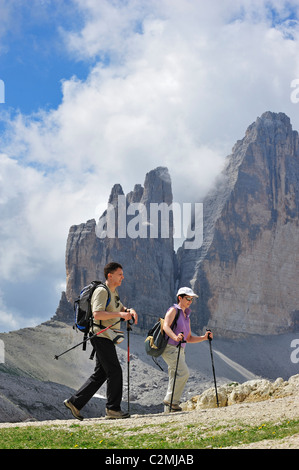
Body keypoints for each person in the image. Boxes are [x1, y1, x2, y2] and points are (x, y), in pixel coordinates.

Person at [64, 262, 138, 420]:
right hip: (100, 335)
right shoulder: (101, 291)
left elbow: (121, 308)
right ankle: (113, 409)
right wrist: (121, 316)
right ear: (110, 276)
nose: (123, 277)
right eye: (120, 274)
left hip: (107, 336)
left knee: (101, 373)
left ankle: (75, 403)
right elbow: (97, 314)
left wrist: (129, 311)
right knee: (115, 370)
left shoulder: (113, 291)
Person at [162, 286, 213, 411]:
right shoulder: (173, 310)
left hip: (180, 350)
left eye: (191, 299)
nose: (190, 301)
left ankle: (168, 410)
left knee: (174, 377)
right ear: (180, 298)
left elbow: (189, 338)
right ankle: (171, 402)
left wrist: (204, 337)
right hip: (170, 348)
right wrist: (175, 337)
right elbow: (166, 327)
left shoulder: (186, 316)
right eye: (187, 298)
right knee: (184, 373)